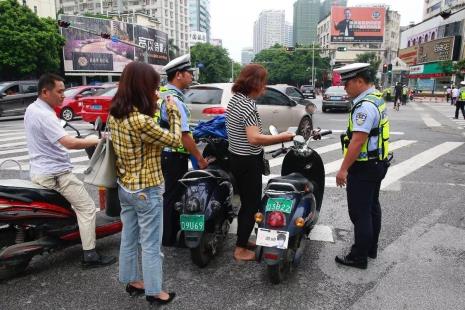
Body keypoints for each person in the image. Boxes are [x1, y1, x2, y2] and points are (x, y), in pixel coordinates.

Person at [107, 62, 181, 305]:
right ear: (143, 87)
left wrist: (157, 102)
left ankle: (133, 280)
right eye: (153, 87)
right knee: (150, 244)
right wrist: (173, 112)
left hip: (125, 187)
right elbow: (174, 139)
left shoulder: (115, 113)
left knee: (129, 236)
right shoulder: (142, 121)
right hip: (146, 190)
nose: (156, 90)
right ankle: (154, 291)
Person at [24, 73, 116, 268]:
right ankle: (90, 255)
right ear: (45, 91)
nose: (63, 96)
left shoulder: (32, 109)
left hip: (40, 172)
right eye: (59, 91)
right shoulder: (45, 114)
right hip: (57, 175)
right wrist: (96, 140)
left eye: (64, 91)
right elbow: (69, 142)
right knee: (87, 208)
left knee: (68, 211)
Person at [225, 64, 295, 261]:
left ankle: (244, 239)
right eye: (263, 82)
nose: (264, 87)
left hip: (235, 157)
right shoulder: (247, 104)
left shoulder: (235, 100)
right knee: (251, 204)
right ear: (255, 83)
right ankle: (240, 249)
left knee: (247, 202)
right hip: (248, 161)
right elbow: (254, 138)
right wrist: (282, 137)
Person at [333, 63, 390, 270]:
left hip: (364, 167)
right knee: (372, 207)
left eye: (346, 83)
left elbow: (358, 141)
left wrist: (343, 169)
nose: (344, 88)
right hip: (378, 164)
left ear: (359, 81)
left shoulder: (364, 106)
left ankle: (359, 257)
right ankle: (370, 248)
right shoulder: (376, 98)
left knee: (360, 213)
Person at [159, 54, 208, 247]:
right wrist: (200, 159)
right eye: (189, 73)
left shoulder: (164, 93)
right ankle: (169, 237)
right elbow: (184, 135)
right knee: (173, 195)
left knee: (171, 194)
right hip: (174, 154)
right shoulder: (175, 100)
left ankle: (170, 234)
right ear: (178, 75)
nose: (191, 76)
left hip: (165, 152)